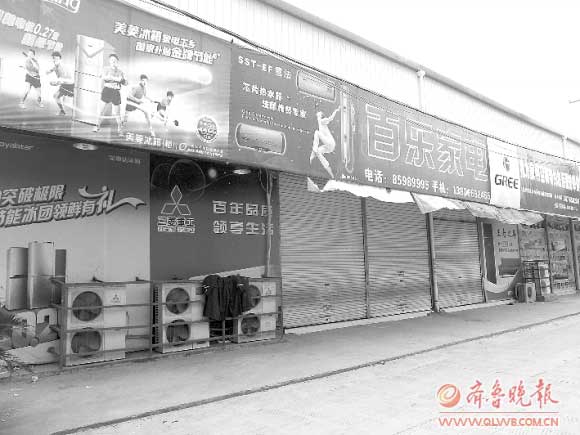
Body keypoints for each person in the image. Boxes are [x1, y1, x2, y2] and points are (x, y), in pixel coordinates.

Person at [93, 54, 126, 135]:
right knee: (101, 110)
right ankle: (97, 126)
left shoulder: (120, 71)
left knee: (117, 113)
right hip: (107, 91)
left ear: (117, 61)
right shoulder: (105, 69)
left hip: (116, 92)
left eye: (115, 60)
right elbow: (104, 77)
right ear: (109, 61)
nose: (113, 61)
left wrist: (120, 80)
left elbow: (124, 82)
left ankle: (120, 129)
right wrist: (117, 79)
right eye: (111, 60)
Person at [309, 108, 340, 178]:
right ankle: (329, 169)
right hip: (329, 147)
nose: (318, 114)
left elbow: (330, 118)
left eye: (319, 113)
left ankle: (314, 150)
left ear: (321, 115)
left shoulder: (322, 121)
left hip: (330, 142)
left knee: (317, 133)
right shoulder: (320, 122)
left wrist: (335, 111)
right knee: (318, 152)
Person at [46, 51, 74, 116]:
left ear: (60, 59)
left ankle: (64, 111)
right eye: (53, 58)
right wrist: (48, 71)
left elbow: (62, 80)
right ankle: (62, 111)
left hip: (69, 85)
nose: (54, 60)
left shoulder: (61, 67)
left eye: (56, 58)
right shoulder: (56, 65)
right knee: (56, 96)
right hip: (65, 85)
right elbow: (52, 69)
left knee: (60, 97)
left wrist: (54, 83)